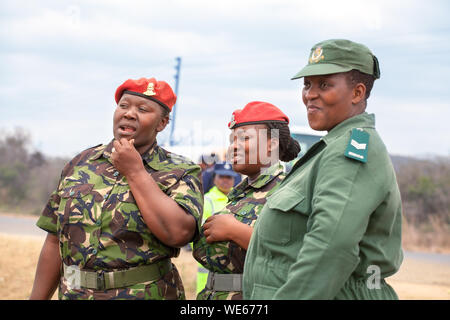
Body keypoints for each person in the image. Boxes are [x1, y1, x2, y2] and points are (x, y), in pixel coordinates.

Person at [243, 39, 403, 300]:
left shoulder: (351, 149)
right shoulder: (330, 148)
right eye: (307, 85)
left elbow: (331, 246)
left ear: (357, 93)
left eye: (325, 84)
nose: (310, 94)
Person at [30, 77, 203, 300]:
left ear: (162, 123)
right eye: (124, 105)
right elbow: (55, 240)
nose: (130, 113)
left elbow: (179, 233)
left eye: (142, 109)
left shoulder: (180, 171)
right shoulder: (81, 164)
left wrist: (136, 172)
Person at [193, 101, 301, 300]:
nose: (234, 146)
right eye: (232, 140)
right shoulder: (240, 193)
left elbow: (295, 255)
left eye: (244, 139)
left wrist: (235, 231)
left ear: (272, 143)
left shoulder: (290, 190)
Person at [195, 162, 240, 294]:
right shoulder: (207, 200)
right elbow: (200, 237)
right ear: (215, 178)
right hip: (210, 270)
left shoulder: (238, 199)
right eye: (222, 177)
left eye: (229, 177)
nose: (225, 180)